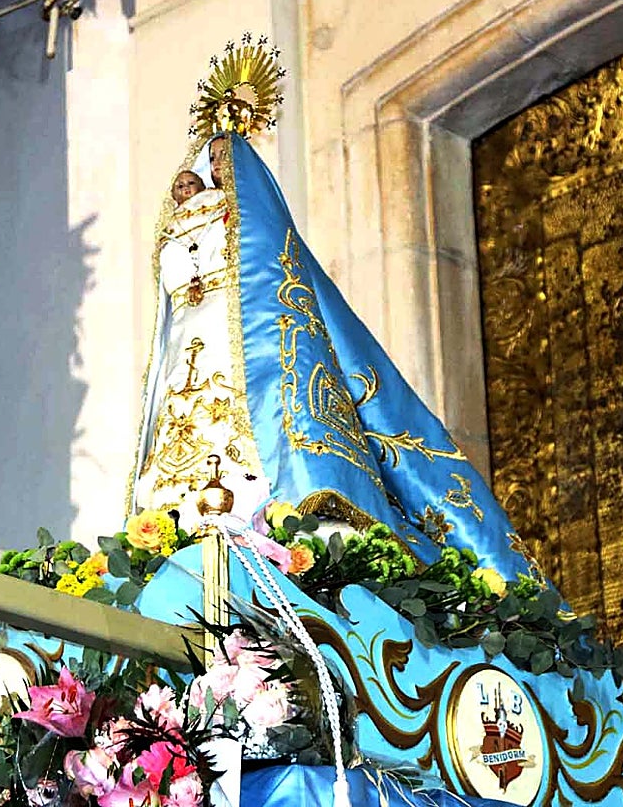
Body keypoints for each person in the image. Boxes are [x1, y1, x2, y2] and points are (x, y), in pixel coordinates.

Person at [129, 131, 542, 582]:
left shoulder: (257, 238)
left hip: (249, 361)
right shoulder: (180, 233)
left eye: (218, 164)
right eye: (196, 175)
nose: (202, 181)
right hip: (196, 349)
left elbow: (279, 311)